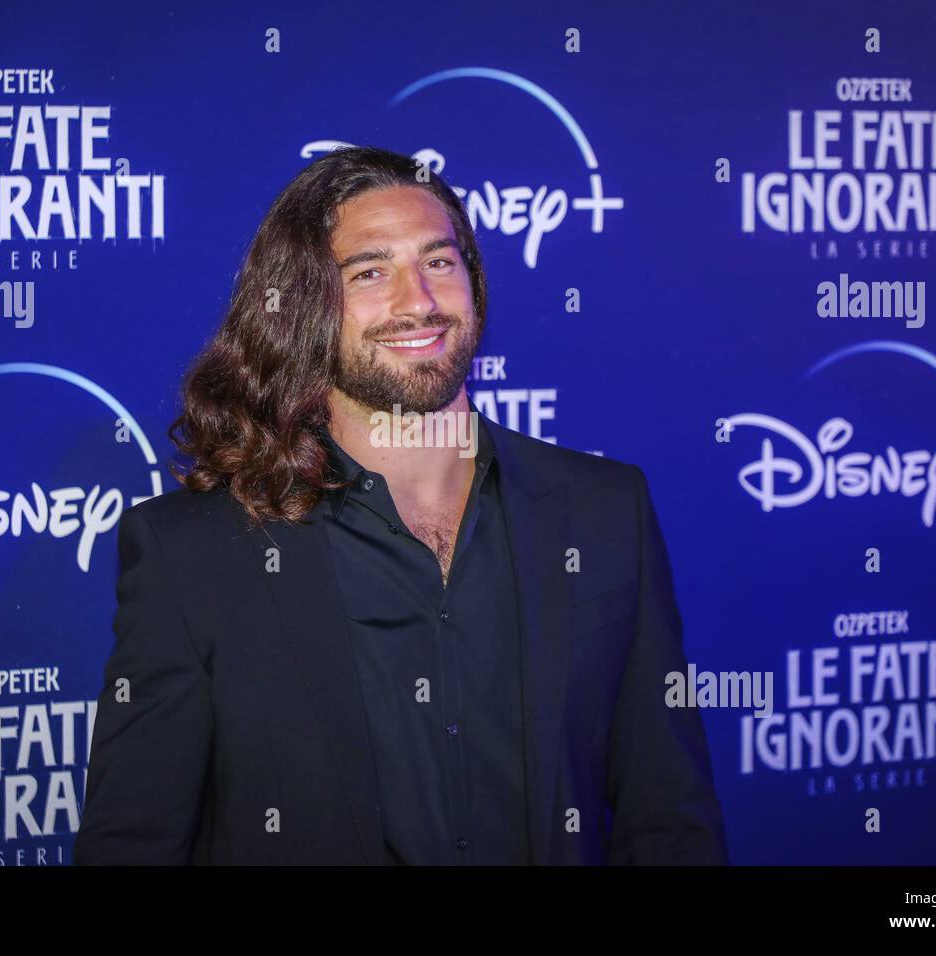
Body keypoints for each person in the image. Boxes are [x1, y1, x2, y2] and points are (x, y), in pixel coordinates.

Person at [73, 145, 728, 865]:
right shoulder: (195, 554)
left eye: (439, 262)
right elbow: (132, 845)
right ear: (300, 307)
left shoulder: (605, 512)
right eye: (370, 272)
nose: (417, 301)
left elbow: (669, 819)